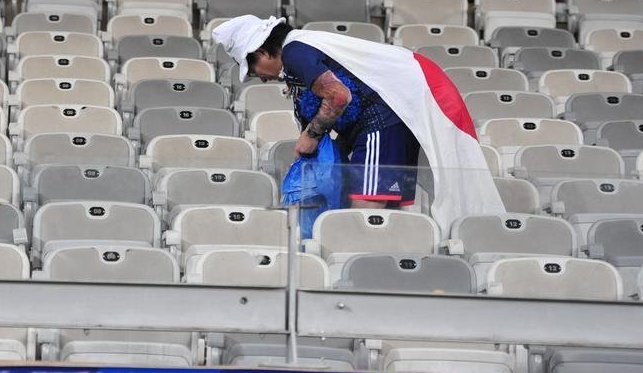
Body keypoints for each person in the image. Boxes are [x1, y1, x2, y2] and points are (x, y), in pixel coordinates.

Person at [212, 15, 503, 228]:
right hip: (384, 120)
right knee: (378, 215)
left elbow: (339, 96)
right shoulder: (301, 49)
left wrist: (311, 135)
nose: (260, 76)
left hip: (383, 119)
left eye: (253, 68)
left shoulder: (295, 52)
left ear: (262, 51)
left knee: (365, 212)